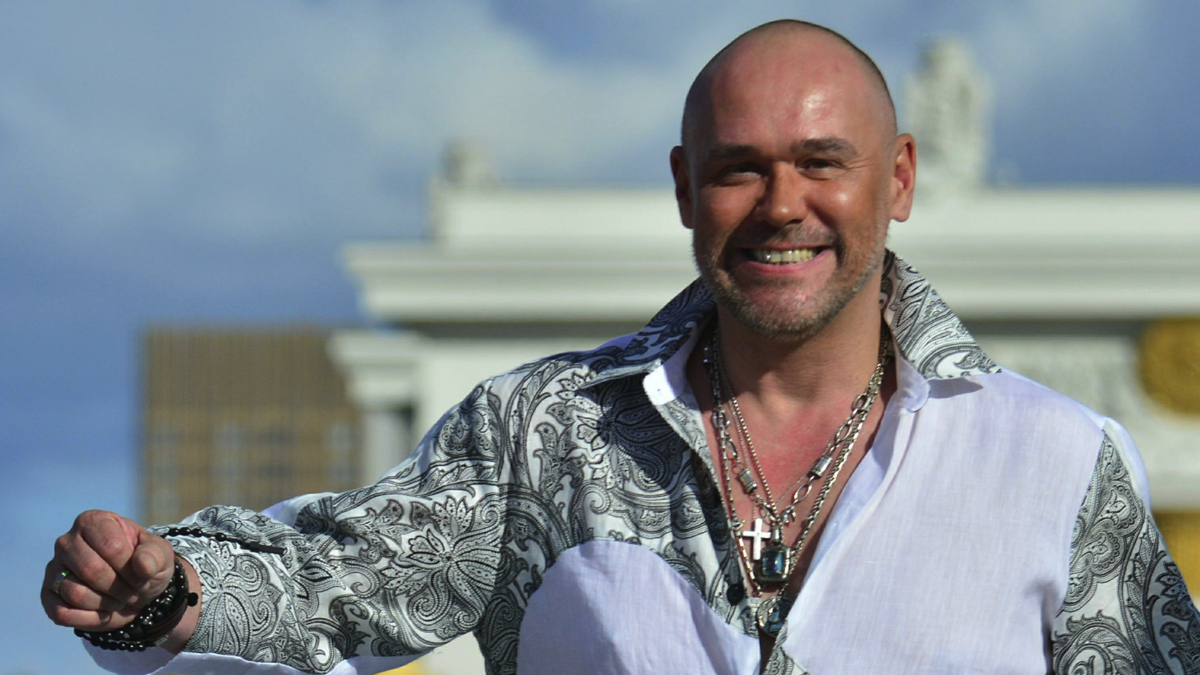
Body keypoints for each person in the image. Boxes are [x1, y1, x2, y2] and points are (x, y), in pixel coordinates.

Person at [43, 19, 1199, 675]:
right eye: (740, 168)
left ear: (897, 179)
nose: (781, 205)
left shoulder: (1058, 463)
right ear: (685, 188)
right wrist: (169, 595)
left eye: (821, 162)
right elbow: (336, 579)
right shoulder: (543, 436)